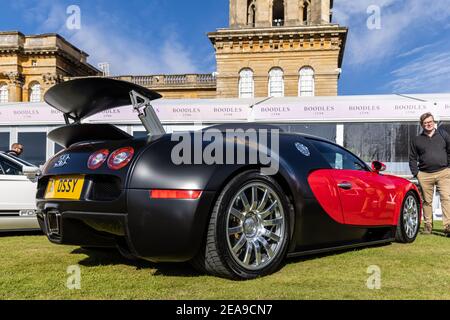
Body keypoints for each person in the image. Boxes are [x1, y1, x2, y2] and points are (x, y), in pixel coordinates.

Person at [409, 112, 450, 235]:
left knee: (446, 198)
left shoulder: (444, 136)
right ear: (422, 124)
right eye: (426, 123)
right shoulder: (416, 139)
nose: (429, 124)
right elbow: (412, 158)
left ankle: (448, 226)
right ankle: (428, 226)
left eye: (430, 122)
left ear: (434, 122)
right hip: (425, 175)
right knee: (427, 202)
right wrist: (416, 173)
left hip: (443, 172)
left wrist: (449, 168)